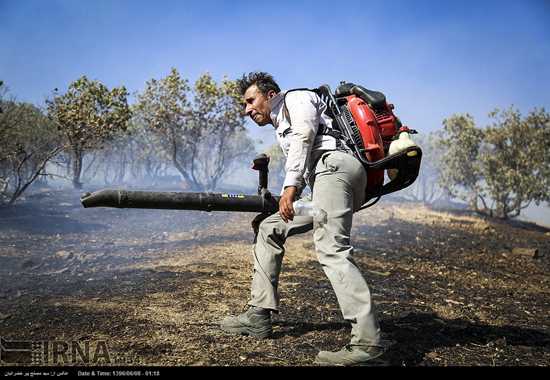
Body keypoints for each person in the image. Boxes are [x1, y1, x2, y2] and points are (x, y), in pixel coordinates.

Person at [220, 72, 389, 366]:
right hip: (326, 184)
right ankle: (258, 315)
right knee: (270, 228)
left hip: (335, 170)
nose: (246, 109)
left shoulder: (297, 98)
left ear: (270, 95)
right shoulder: (280, 120)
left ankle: (367, 345)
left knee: (332, 249)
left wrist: (290, 188)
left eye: (250, 101)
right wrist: (286, 202)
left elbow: (304, 136)